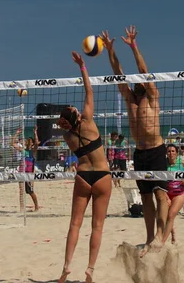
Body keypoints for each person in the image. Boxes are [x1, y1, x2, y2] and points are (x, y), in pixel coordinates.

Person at [101, 26, 169, 257]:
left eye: (142, 78)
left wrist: (133, 46)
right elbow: (118, 73)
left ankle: (161, 236)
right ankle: (150, 238)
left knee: (161, 195)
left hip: (157, 151)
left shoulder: (152, 95)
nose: (138, 79)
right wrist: (111, 50)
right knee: (146, 198)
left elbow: (142, 68)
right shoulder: (129, 97)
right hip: (140, 153)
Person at [57, 52, 112, 283]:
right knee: (97, 226)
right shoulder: (88, 121)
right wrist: (82, 67)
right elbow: (89, 91)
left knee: (74, 225)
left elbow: (67, 121)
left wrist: (66, 119)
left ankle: (67, 266)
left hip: (82, 176)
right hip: (102, 177)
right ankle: (90, 269)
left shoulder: (67, 136)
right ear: (77, 115)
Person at [162, 144, 184, 245]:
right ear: (166, 153)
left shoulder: (182, 163)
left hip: (179, 194)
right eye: (169, 151)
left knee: (170, 215)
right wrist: (165, 196)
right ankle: (173, 232)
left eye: (173, 151)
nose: (171, 153)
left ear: (177, 153)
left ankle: (162, 242)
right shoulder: (163, 164)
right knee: (164, 216)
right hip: (166, 193)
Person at [13, 127, 40, 212]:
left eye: (29, 141)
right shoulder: (23, 150)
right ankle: (22, 209)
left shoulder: (33, 151)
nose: (27, 142)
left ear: (31, 143)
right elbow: (12, 143)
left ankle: (36, 207)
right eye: (26, 141)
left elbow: (37, 143)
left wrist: (35, 133)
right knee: (21, 191)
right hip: (21, 172)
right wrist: (17, 133)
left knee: (30, 191)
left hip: (29, 174)